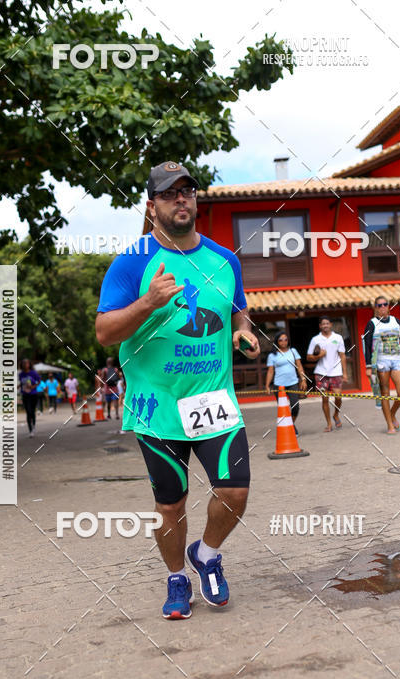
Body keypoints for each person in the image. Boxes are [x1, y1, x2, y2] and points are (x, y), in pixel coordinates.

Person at [96, 160, 260, 620]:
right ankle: (176, 579)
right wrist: (148, 302)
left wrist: (241, 332)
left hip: (212, 400)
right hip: (158, 406)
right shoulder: (133, 262)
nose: (181, 198)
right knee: (170, 503)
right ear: (152, 207)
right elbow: (105, 332)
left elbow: (237, 312)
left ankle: (206, 555)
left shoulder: (225, 261)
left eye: (187, 190)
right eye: (170, 193)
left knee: (236, 492)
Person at [362, 296, 400, 434]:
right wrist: (368, 366)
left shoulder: (396, 321)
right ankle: (390, 425)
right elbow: (367, 346)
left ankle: (392, 414)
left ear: (389, 306)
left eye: (385, 304)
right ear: (375, 308)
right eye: (379, 305)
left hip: (397, 360)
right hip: (381, 361)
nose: (382, 307)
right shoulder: (372, 323)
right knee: (385, 393)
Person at [306, 316, 347, 432]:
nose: (325, 325)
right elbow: (308, 357)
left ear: (331, 325)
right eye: (323, 324)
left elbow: (342, 355)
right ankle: (329, 423)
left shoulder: (338, 338)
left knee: (338, 397)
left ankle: (336, 414)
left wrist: (345, 373)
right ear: (320, 326)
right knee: (325, 399)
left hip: (336, 372)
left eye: (327, 323)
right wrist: (318, 356)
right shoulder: (315, 339)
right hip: (321, 372)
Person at [265, 330, 305, 432]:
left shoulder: (293, 351)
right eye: (281, 340)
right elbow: (270, 371)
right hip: (279, 385)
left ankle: (290, 425)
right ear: (277, 342)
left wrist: (303, 379)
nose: (283, 342)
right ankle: (291, 429)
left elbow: (299, 366)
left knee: (295, 406)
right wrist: (267, 385)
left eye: (286, 340)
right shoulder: (272, 355)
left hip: (293, 383)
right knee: (284, 409)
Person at [18, 359, 40, 437]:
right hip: (25, 395)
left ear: (29, 364)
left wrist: (33, 386)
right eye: (23, 363)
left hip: (33, 394)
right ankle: (30, 430)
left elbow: (39, 381)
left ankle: (33, 426)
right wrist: (18, 386)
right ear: (22, 365)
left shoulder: (33, 373)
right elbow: (21, 382)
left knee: (32, 412)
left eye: (26, 363)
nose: (25, 365)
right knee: (28, 411)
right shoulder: (21, 374)